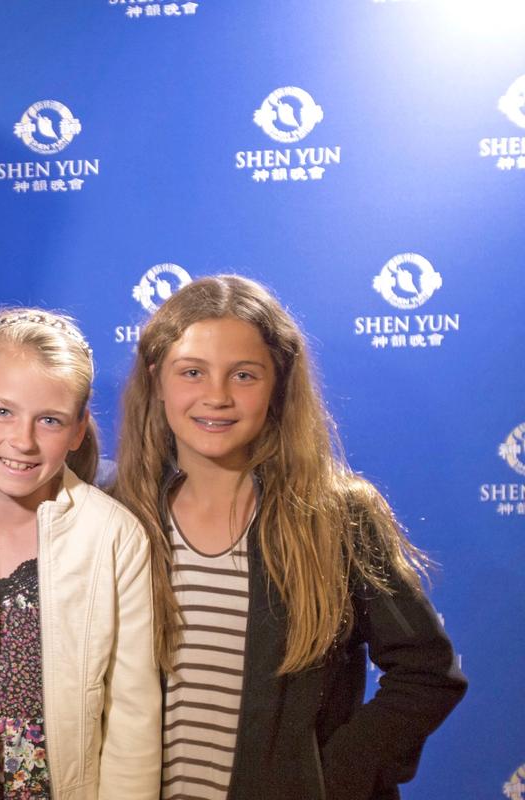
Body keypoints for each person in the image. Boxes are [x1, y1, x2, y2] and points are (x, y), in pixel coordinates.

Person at [113, 275, 467, 800]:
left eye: (244, 375)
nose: (216, 396)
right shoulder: (119, 516)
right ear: (155, 377)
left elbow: (427, 672)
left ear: (279, 381)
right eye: (192, 372)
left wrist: (335, 773)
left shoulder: (335, 517)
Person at [0, 308, 160, 799]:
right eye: (2, 411)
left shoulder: (114, 537)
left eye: (49, 420)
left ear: (77, 429)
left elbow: (133, 714)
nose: (23, 441)